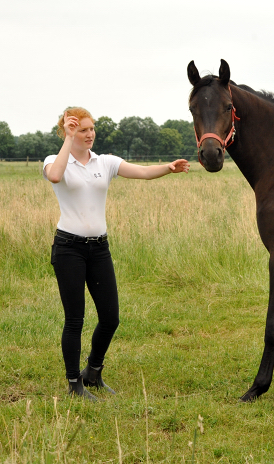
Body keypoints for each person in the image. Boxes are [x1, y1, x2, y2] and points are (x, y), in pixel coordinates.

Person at [43, 107, 190, 400]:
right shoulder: (53, 160)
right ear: (68, 131)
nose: (90, 134)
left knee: (111, 318)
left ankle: (93, 372)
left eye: (91, 129)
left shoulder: (105, 162)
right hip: (68, 248)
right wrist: (67, 140)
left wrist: (167, 168)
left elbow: (143, 172)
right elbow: (56, 177)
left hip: (99, 248)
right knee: (75, 320)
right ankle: (74, 384)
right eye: (82, 130)